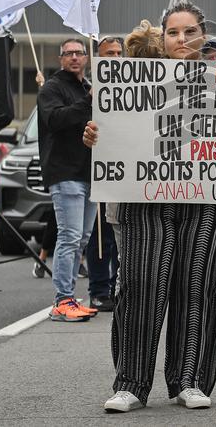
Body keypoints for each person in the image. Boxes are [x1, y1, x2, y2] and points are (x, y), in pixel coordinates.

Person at [86, 10, 216, 412]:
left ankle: (189, 379)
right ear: (161, 39)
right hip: (146, 197)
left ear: (203, 35)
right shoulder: (134, 81)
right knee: (142, 284)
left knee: (200, 284)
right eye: (173, 32)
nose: (181, 39)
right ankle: (131, 383)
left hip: (210, 195)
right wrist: (95, 134)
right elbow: (114, 133)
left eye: (189, 31)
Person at [38, 38, 97, 323]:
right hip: (65, 172)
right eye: (69, 53)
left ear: (86, 57)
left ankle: (70, 297)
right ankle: (62, 300)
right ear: (60, 58)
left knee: (81, 238)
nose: (74, 57)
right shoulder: (52, 87)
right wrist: (88, 102)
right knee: (70, 237)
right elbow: (55, 120)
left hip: (90, 174)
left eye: (79, 52)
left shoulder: (88, 88)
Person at [85, 36, 124, 312]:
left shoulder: (137, 85)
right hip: (98, 172)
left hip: (130, 173)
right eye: (108, 53)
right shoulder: (88, 90)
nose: (115, 57)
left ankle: (118, 286)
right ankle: (99, 289)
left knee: (123, 234)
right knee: (101, 236)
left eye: (119, 52)